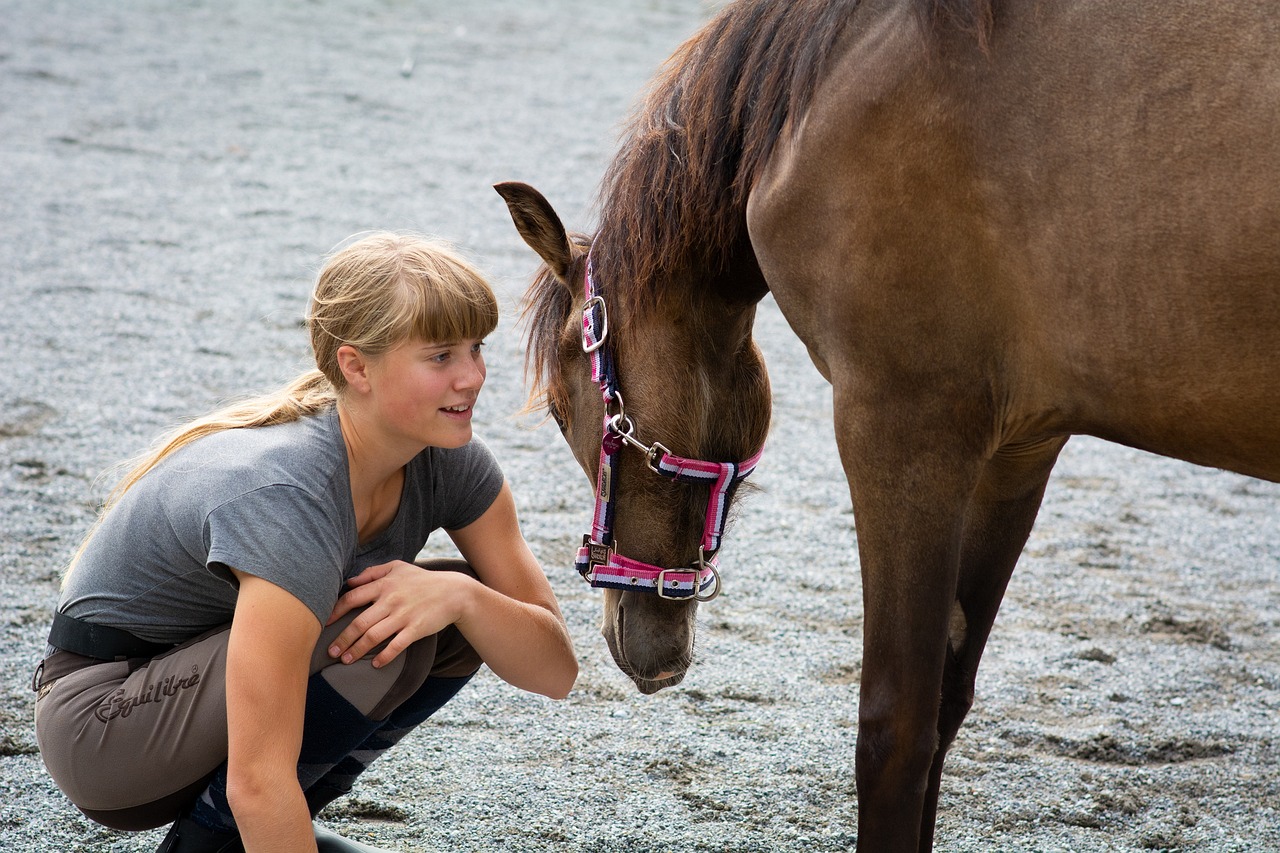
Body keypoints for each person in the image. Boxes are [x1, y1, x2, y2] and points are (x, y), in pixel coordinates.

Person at [31, 233, 578, 853]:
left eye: (476, 349)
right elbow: (258, 779)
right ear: (355, 366)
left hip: (197, 698)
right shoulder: (289, 495)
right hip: (104, 730)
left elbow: (555, 672)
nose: (473, 377)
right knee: (370, 630)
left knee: (438, 612)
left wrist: (464, 599)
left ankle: (253, 834)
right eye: (440, 356)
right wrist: (262, 806)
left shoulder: (449, 461)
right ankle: (212, 843)